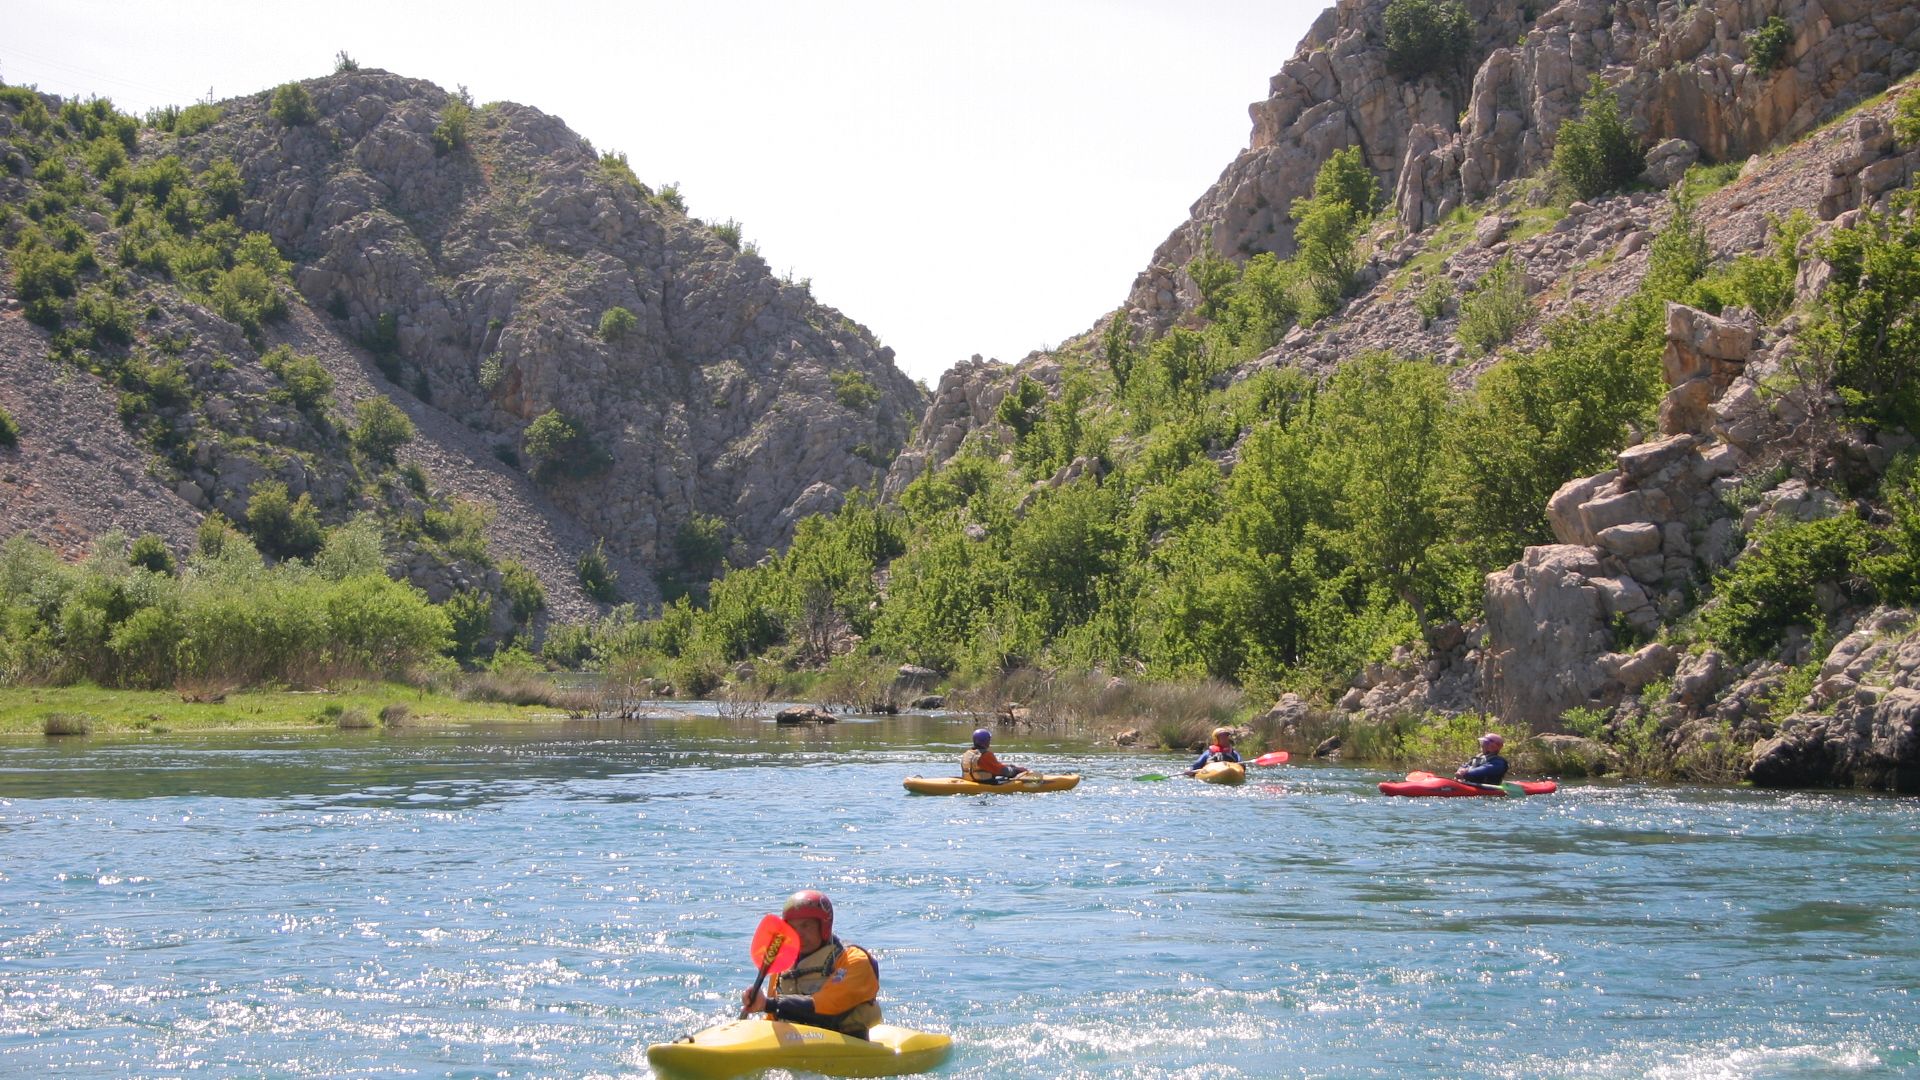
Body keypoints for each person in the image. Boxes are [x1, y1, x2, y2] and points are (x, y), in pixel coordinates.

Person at [743, 890, 882, 1039]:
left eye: (806, 926)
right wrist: (757, 1006)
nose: (799, 934)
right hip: (796, 1042)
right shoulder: (782, 966)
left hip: (846, 1042)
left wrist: (768, 1004)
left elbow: (828, 1007)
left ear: (824, 926)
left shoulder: (853, 960)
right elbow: (772, 1018)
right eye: (793, 928)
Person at [959, 728, 1031, 783]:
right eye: (989, 740)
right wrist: (1017, 770)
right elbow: (1004, 772)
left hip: (970, 781)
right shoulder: (985, 755)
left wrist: (1010, 766)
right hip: (986, 783)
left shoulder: (967, 754)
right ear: (986, 741)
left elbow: (992, 767)